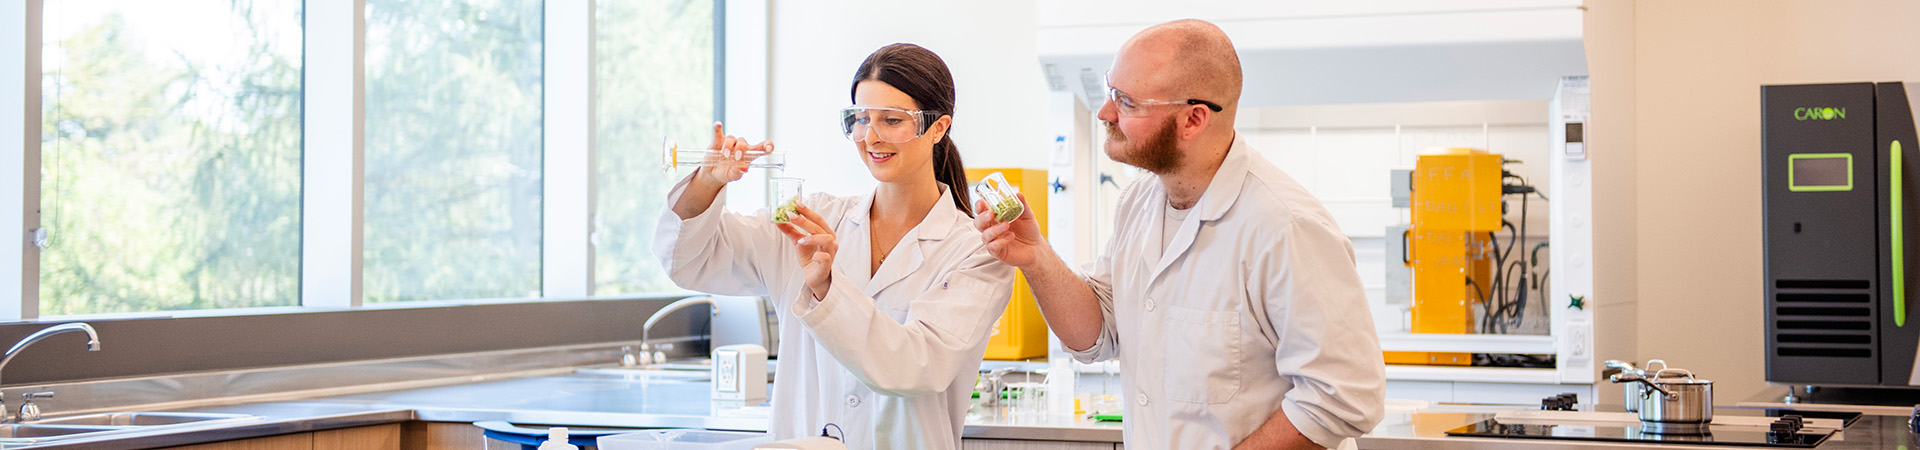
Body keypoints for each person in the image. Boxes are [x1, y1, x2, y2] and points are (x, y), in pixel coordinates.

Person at [974, 20, 1386, 449]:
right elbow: (1096, 337)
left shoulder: (1285, 228)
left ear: (1193, 120)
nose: (1105, 112)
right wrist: (1036, 256)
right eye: (1110, 91)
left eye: (1127, 102)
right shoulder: (1138, 204)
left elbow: (1343, 395)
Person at [654, 43, 1015, 450]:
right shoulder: (809, 222)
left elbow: (915, 367)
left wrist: (828, 287)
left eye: (892, 120)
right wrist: (707, 182)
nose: (870, 137)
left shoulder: (978, 252)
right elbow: (689, 261)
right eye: (860, 119)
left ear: (938, 128)